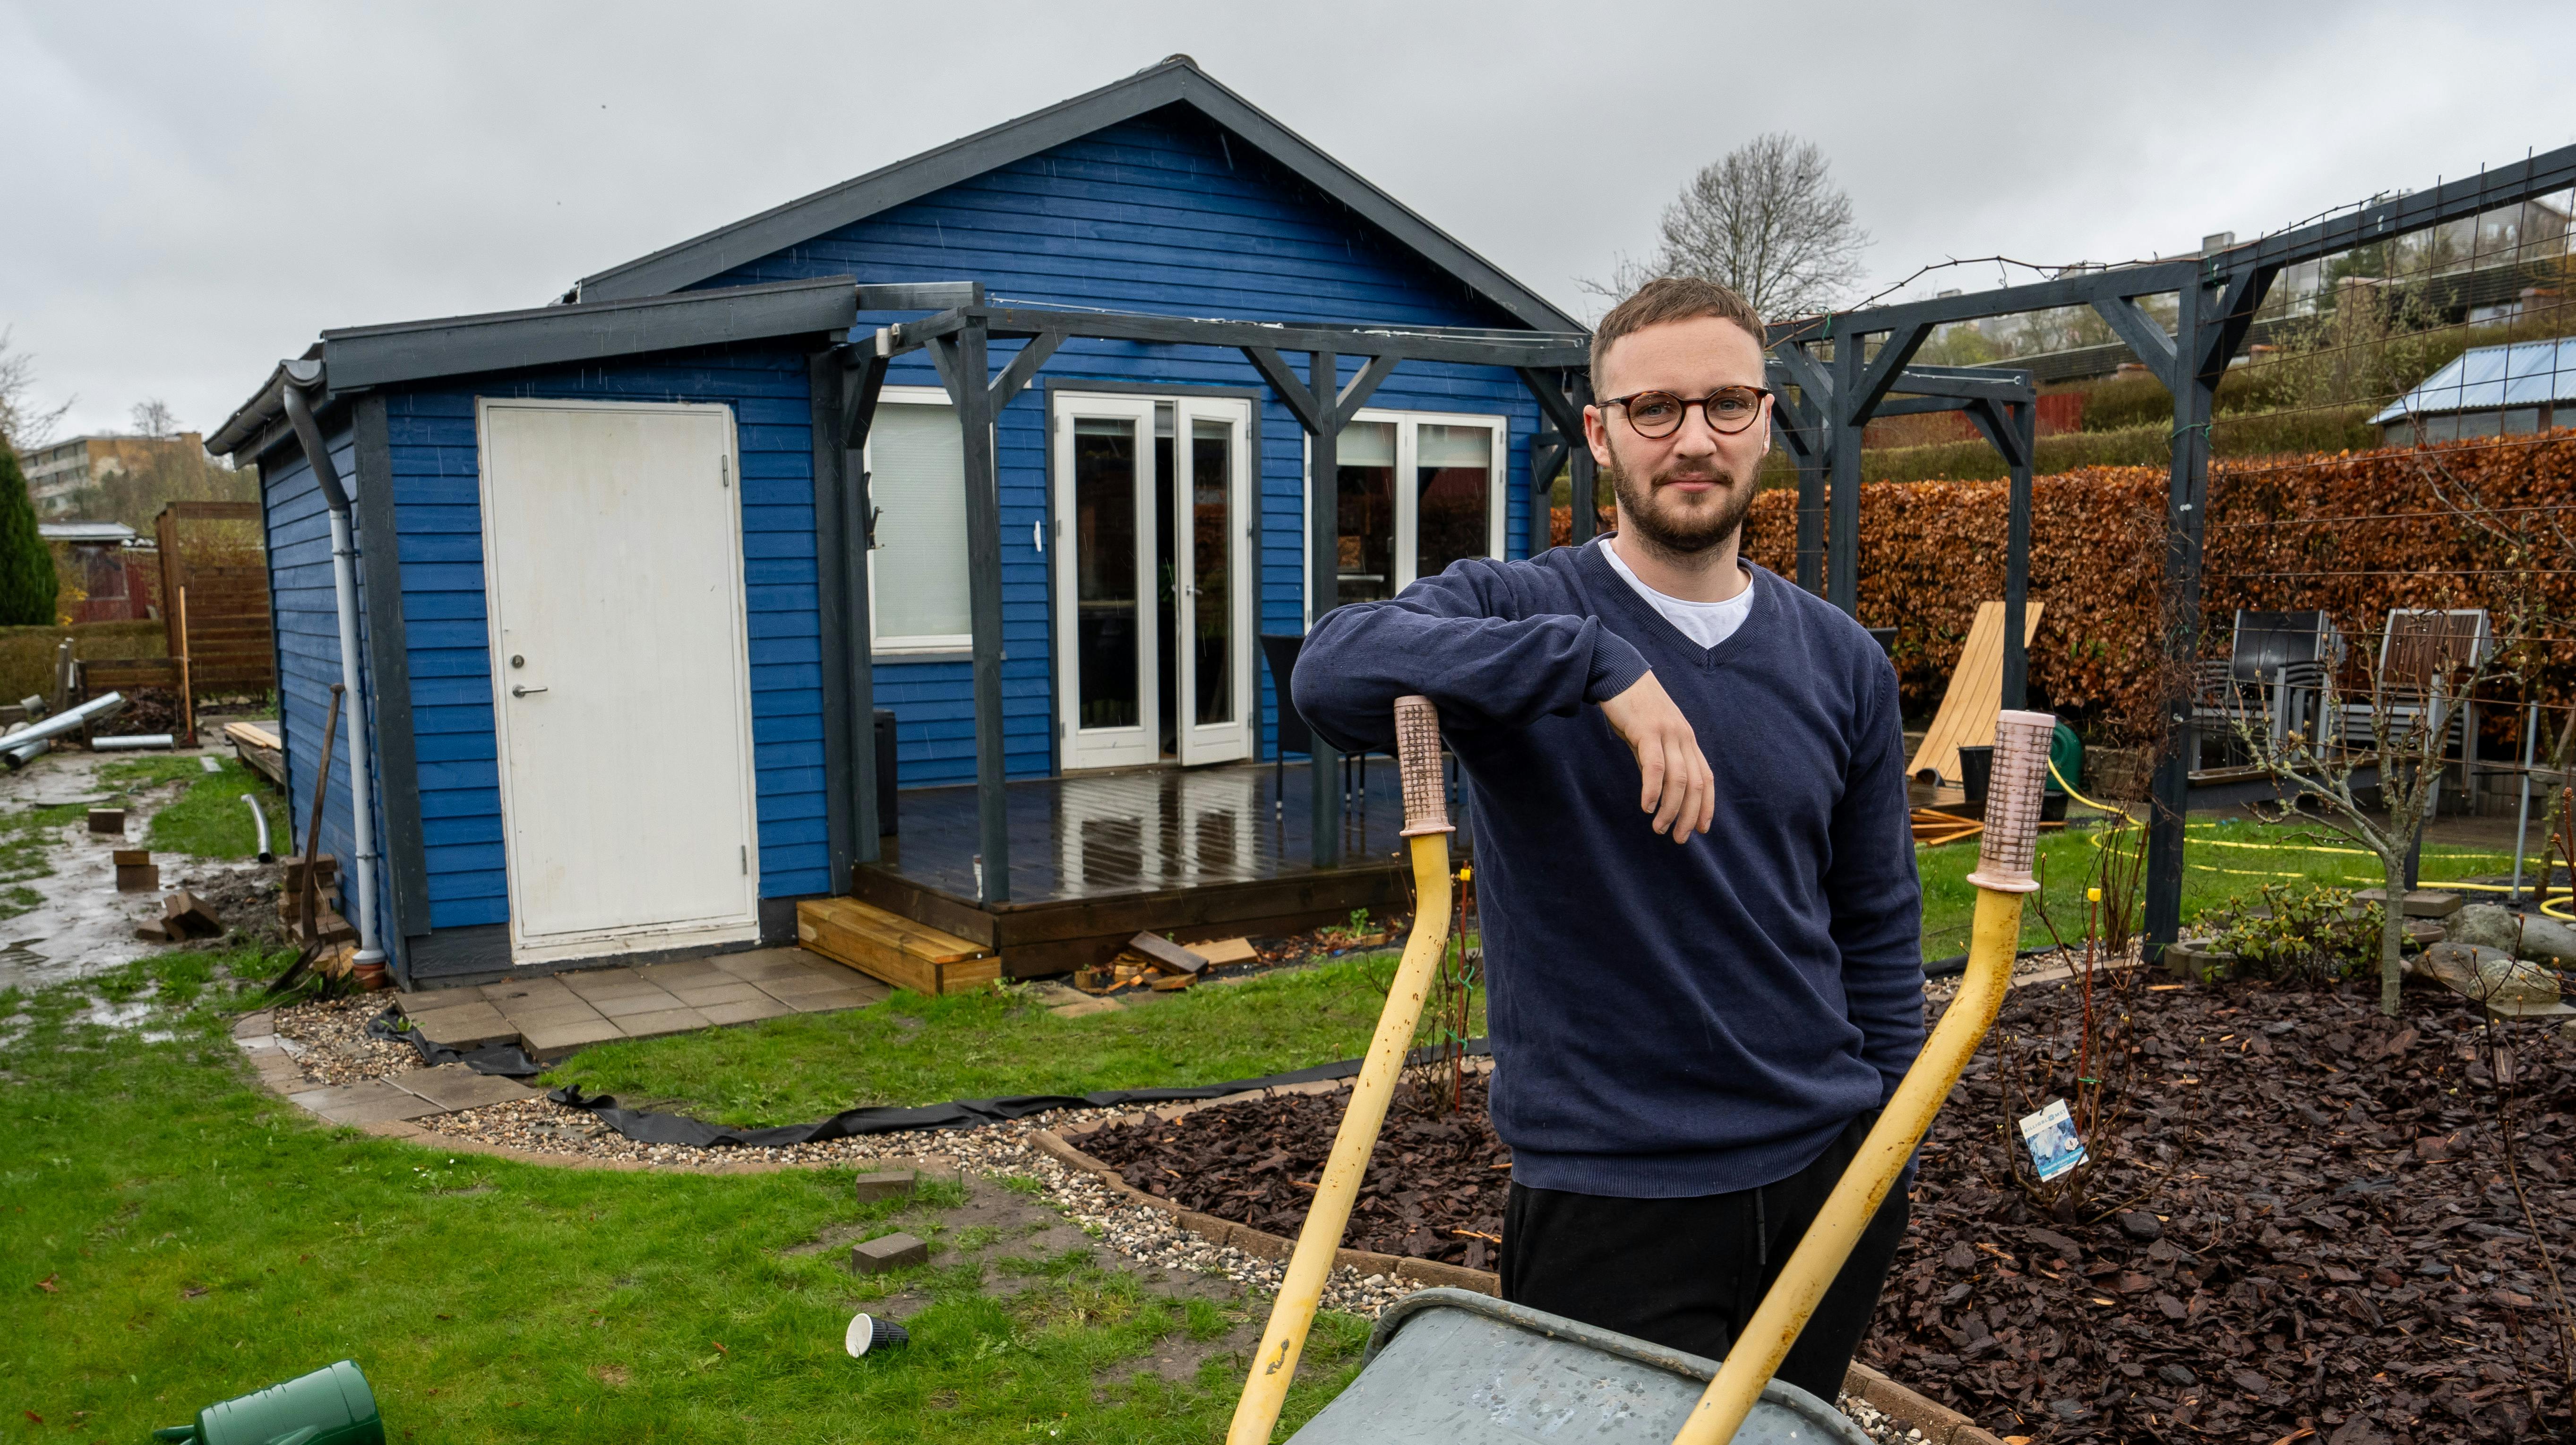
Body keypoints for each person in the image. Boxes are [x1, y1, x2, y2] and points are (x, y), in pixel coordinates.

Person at [1292, 276, 1922, 1400]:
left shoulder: (1840, 660)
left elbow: (1873, 924)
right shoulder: (1519, 608)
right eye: (1653, 409)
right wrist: (1591, 666)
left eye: (1726, 404)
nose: (1692, 438)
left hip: (1826, 1172)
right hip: (1613, 1193)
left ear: (1766, 420)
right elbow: (1332, 667)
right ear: (1597, 433)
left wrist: (1885, 1144)